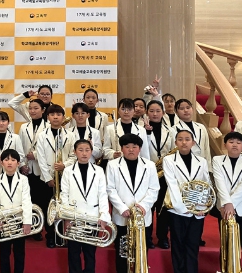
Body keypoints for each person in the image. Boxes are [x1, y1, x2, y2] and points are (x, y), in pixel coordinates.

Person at [106, 135, 160, 273]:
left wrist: (143, 206)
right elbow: (110, 189)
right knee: (122, 250)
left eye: (134, 147)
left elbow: (154, 189)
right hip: (121, 215)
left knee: (142, 249)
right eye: (127, 147)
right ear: (122, 149)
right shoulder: (112, 165)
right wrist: (122, 208)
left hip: (142, 216)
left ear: (140, 149)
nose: (131, 150)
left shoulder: (150, 165)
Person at [163, 130, 212, 273]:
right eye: (180, 139)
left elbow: (206, 184)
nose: (184, 142)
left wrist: (203, 206)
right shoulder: (168, 160)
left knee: (193, 244)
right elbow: (172, 185)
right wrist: (181, 207)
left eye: (187, 139)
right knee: (178, 244)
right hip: (177, 210)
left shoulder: (201, 161)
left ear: (193, 142)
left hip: (198, 210)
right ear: (175, 142)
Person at [61, 140, 111, 273]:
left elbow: (102, 194)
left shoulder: (99, 170)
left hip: (93, 216)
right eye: (81, 150)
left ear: (91, 152)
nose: (84, 153)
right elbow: (64, 195)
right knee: (73, 252)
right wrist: (66, 217)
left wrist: (104, 215)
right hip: (74, 217)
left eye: (87, 150)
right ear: (74, 152)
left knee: (90, 253)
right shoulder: (67, 171)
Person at [212, 132, 242, 273]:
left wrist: (230, 204)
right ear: (225, 144)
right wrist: (226, 204)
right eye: (231, 142)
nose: (235, 145)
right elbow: (219, 183)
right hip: (224, 209)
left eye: (238, 143)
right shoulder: (217, 160)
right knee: (226, 245)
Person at [36, 104, 76, 248]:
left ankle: (63, 235)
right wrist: (48, 178)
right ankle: (50, 235)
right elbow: (40, 158)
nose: (55, 117)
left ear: (63, 117)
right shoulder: (42, 135)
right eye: (52, 115)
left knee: (64, 206)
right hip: (47, 178)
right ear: (48, 117)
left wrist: (64, 165)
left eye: (58, 115)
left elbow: (74, 155)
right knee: (49, 207)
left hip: (65, 177)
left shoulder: (71, 135)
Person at [0, 149, 32, 273]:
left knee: (19, 252)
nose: (9, 162)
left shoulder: (24, 179)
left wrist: (27, 222)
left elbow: (27, 201)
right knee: (4, 253)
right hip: (4, 221)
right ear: (1, 163)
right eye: (6, 160)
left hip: (19, 220)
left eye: (13, 160)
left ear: (18, 163)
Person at [143, 100, 173, 249]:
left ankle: (162, 237)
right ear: (146, 113)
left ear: (163, 113)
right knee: (148, 207)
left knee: (163, 208)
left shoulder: (170, 131)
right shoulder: (140, 130)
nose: (155, 114)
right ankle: (147, 237)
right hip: (147, 175)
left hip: (164, 175)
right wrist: (147, 133)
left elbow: (173, 152)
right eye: (151, 111)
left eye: (158, 111)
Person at [16, 99, 48, 241]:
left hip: (42, 170)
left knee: (42, 200)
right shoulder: (24, 127)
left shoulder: (48, 126)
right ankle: (31, 227)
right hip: (27, 169)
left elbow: (49, 148)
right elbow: (20, 147)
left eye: (36, 108)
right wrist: (22, 164)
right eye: (30, 108)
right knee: (28, 200)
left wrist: (35, 155)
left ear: (43, 110)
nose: (33, 111)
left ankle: (41, 228)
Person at [169, 99, 212, 172]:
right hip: (185, 166)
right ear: (176, 112)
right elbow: (175, 150)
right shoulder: (174, 129)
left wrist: (209, 169)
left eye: (188, 107)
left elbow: (206, 149)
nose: (186, 110)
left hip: (202, 166)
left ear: (192, 109)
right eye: (181, 108)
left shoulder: (201, 127)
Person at [0, 111, 25, 178]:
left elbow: (21, 156)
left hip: (12, 172)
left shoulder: (15, 137)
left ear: (8, 122)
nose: (1, 123)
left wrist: (7, 159)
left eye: (3, 121)